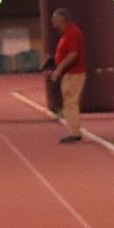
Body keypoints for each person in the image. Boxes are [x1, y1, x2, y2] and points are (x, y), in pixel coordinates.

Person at [45, 8, 85, 143]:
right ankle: (73, 130)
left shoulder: (71, 32)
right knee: (69, 103)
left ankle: (75, 132)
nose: (52, 21)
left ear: (62, 19)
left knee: (70, 102)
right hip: (69, 73)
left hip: (74, 73)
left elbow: (73, 54)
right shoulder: (66, 33)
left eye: (54, 18)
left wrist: (58, 69)